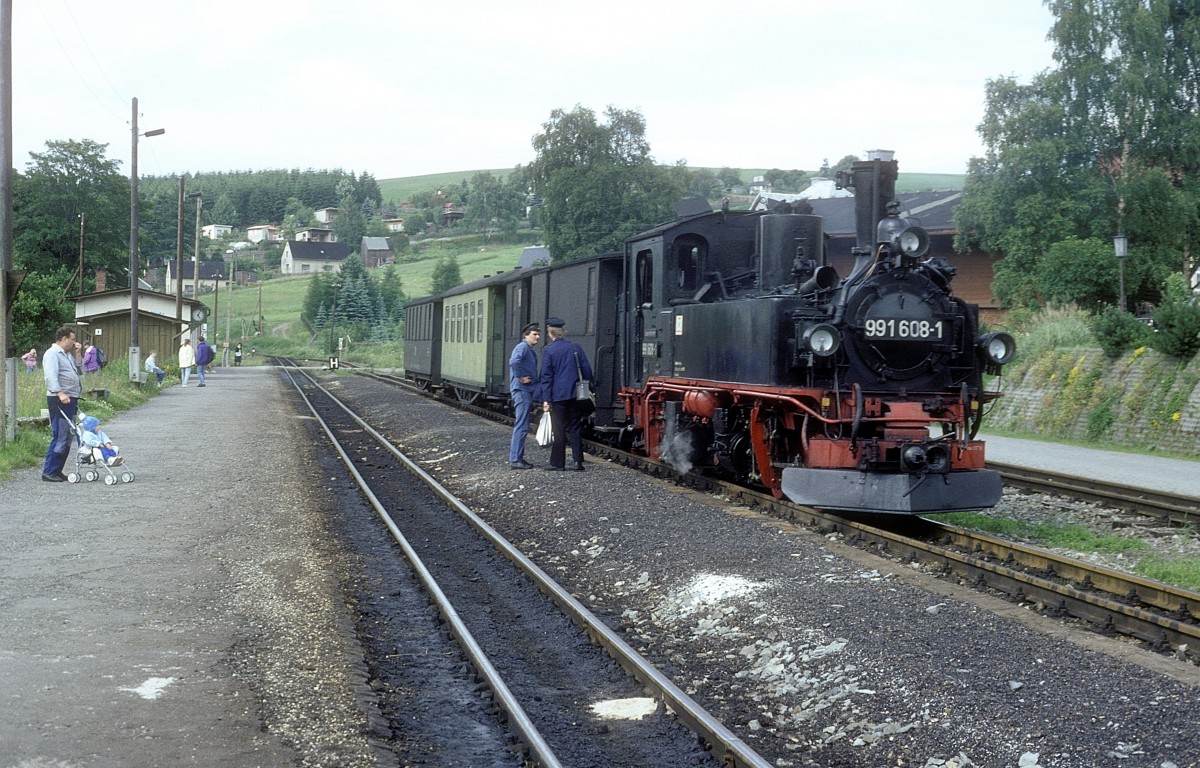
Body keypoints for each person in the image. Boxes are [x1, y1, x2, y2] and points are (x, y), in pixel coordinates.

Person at [537, 317, 593, 471]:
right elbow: (587, 371)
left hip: (558, 396)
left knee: (559, 428)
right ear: (563, 332)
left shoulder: (549, 350)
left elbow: (546, 377)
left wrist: (546, 399)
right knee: (575, 427)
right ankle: (577, 462)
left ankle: (558, 463)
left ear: (550, 334)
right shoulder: (575, 347)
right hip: (576, 394)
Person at [41, 325, 83, 482]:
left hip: (70, 397)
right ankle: (49, 471)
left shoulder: (66, 355)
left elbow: (79, 370)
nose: (74, 342)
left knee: (67, 435)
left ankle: (57, 469)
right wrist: (59, 392)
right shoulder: (52, 354)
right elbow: (50, 376)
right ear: (64, 339)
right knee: (60, 434)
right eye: (72, 339)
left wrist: (78, 353)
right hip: (60, 398)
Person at [507, 322, 541, 469]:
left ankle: (517, 457)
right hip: (522, 390)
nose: (538, 337)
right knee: (521, 425)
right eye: (534, 334)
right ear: (526, 335)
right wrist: (520, 376)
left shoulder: (528, 349)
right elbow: (514, 362)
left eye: (538, 334)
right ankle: (515, 459)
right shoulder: (522, 347)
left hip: (525, 390)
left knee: (523, 424)